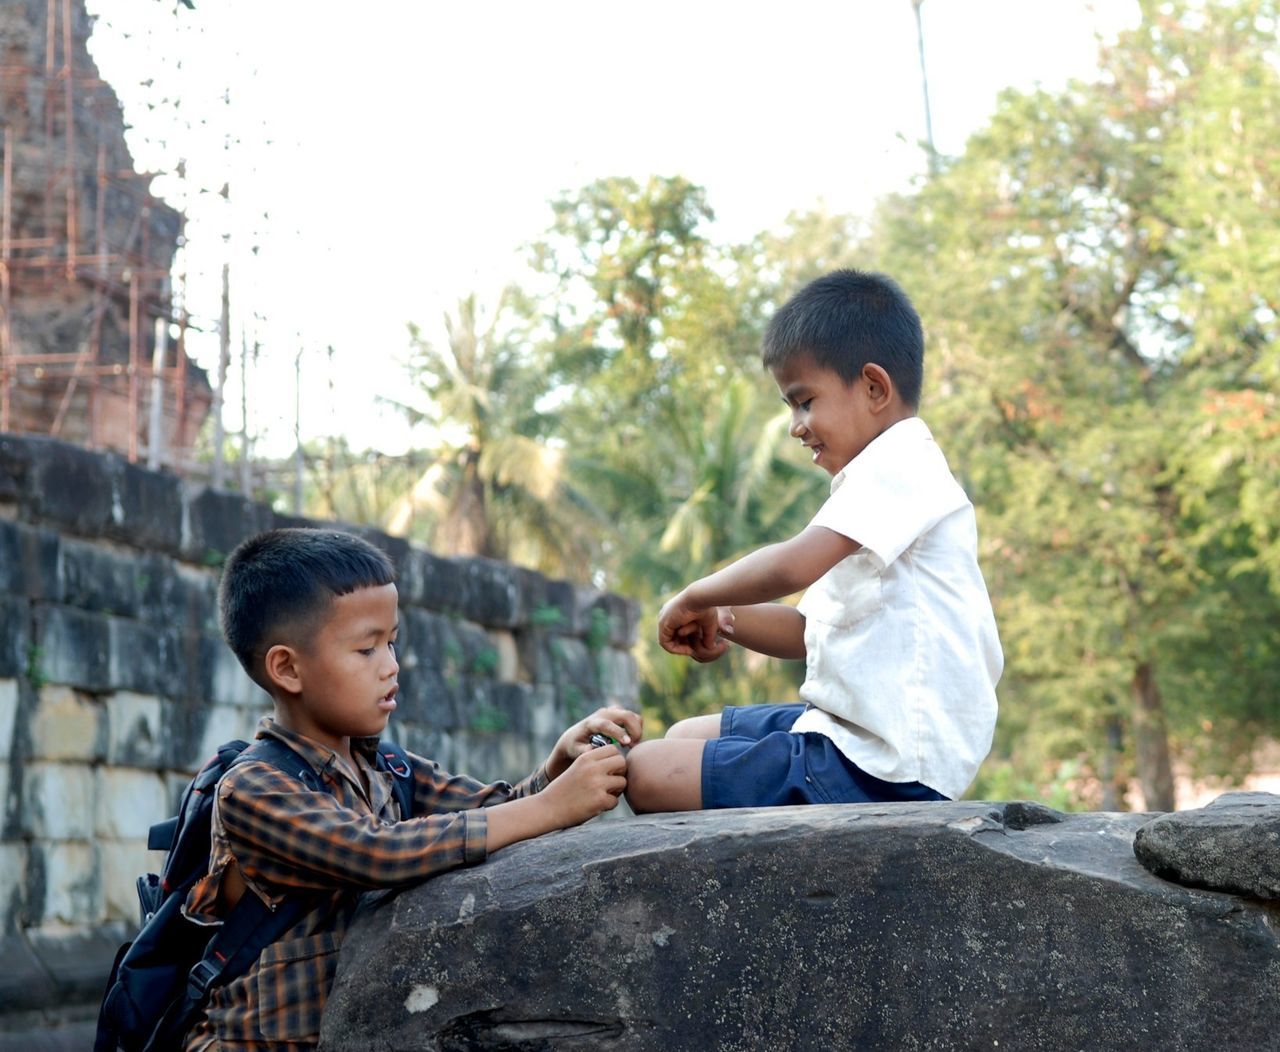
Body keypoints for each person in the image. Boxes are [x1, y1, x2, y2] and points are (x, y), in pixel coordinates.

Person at [181, 527, 640, 1051]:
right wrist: (552, 806)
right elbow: (378, 852)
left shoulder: (386, 766)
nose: (391, 666)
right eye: (366, 649)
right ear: (287, 667)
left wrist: (556, 768)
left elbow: (499, 814)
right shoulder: (254, 790)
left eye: (392, 641)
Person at [625, 268, 1001, 814]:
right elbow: (809, 632)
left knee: (646, 773)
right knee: (685, 735)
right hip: (852, 734)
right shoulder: (871, 493)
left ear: (874, 388)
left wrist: (697, 595)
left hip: (887, 766)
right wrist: (724, 616)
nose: (796, 426)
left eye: (804, 402)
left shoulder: (903, 462)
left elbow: (792, 566)